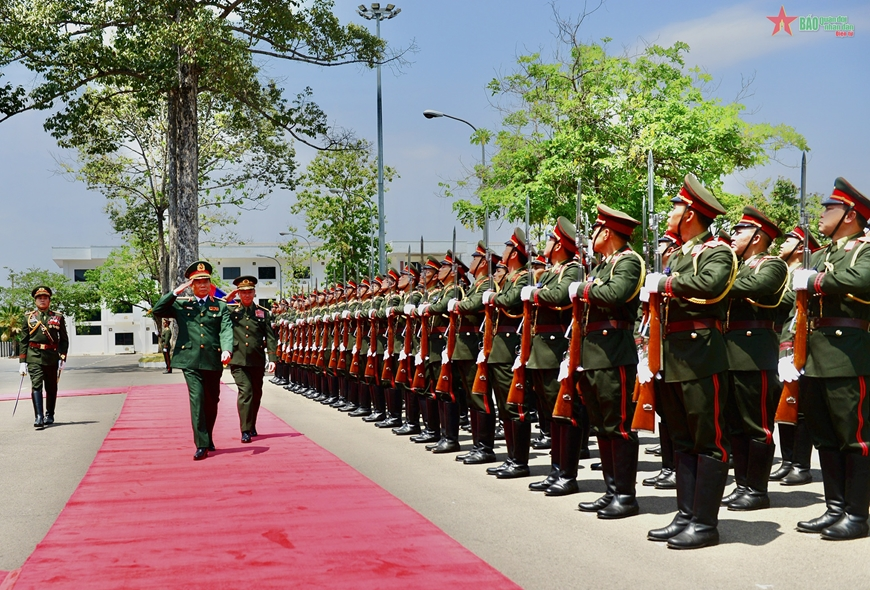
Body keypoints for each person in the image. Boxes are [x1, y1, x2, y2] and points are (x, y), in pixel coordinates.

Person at [643, 174, 737, 549]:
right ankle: (685, 514)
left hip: (701, 354)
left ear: (691, 214)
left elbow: (711, 285)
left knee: (709, 440)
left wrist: (667, 285)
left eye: (676, 206)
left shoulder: (717, 250)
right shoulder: (679, 253)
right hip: (674, 354)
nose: (670, 212)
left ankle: (705, 523)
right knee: (681, 440)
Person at [781, 177, 870, 541]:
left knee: (854, 437)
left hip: (849, 353)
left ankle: (857, 514)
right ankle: (835, 506)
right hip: (815, 353)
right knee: (825, 437)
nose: (821, 214)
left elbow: (863, 278)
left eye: (829, 209)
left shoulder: (864, 250)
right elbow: (792, 301)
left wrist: (815, 281)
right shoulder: (819, 255)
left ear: (850, 214)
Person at [569, 205, 645, 519]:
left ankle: (626, 496)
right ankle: (612, 490)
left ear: (608, 233)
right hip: (595, 353)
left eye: (596, 230)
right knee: (602, 426)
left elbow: (616, 293)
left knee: (619, 426)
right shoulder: (603, 265)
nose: (591, 237)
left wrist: (585, 289)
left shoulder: (628, 261)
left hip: (614, 353)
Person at [721, 207, 788, 511]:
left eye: (740, 231)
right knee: (735, 425)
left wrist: (714, 285)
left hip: (754, 353)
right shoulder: (736, 266)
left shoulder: (771, 265)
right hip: (729, 353)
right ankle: (742, 484)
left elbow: (757, 287)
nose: (733, 236)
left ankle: (757, 489)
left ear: (758, 237)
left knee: (756, 425)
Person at [523, 217, 583, 496]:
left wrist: (535, 292)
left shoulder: (572, 270)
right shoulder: (550, 272)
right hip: (541, 349)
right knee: (550, 414)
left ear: (559, 244)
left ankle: (567, 474)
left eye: (549, 239)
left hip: (556, 347)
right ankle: (555, 470)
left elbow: (560, 296)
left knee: (564, 414)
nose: (545, 245)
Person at [153, 261, 233, 461]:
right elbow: (158, 310)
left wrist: (227, 349)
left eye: (206, 281)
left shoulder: (220, 306)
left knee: (211, 401)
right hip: (190, 360)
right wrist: (175, 292)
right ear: (192, 285)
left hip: (213, 359)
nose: (203, 284)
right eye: (198, 282)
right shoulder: (181, 304)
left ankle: (208, 435)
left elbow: (226, 329)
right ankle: (202, 443)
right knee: (197, 400)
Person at [770, 227, 820, 486]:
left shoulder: (802, 272)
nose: (782, 244)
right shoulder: (786, 271)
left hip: (799, 338)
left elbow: (784, 301)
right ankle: (788, 460)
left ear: (801, 247)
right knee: (785, 403)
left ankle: (801, 464)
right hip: (782, 339)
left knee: (800, 407)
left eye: (789, 240)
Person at [226, 276, 278, 444]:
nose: (246, 295)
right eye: (243, 292)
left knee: (256, 394)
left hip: (256, 359)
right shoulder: (231, 310)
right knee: (245, 392)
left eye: (249, 292)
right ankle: (245, 430)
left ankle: (252, 423)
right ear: (238, 294)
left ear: (254, 293)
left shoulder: (263, 313)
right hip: (238, 360)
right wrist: (228, 297)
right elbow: (216, 306)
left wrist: (272, 358)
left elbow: (270, 337)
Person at [19, 286, 69, 429]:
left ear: (49, 300)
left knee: (51, 387)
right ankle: (39, 417)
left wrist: (62, 357)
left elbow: (64, 339)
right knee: (36, 385)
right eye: (39, 298)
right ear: (35, 300)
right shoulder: (28, 318)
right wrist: (22, 361)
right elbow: (23, 341)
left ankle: (50, 414)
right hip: (34, 355)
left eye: (45, 297)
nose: (42, 300)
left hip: (52, 356)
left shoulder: (57, 317)